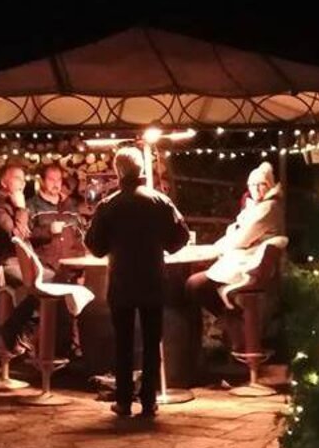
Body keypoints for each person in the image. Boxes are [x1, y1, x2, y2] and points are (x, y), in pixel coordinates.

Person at [85, 146, 190, 418]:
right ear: (142, 169)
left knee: (123, 342)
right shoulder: (160, 202)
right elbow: (180, 237)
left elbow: (94, 245)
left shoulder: (109, 205)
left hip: (121, 281)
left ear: (119, 172)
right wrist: (161, 246)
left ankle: (123, 401)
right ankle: (149, 401)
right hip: (153, 279)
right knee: (152, 342)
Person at [185, 161, 284, 349]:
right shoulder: (256, 207)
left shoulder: (268, 208)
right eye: (252, 185)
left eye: (261, 184)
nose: (256, 189)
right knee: (197, 284)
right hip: (243, 262)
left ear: (269, 185)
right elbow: (237, 232)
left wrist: (217, 248)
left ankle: (232, 320)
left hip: (250, 268)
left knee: (195, 285)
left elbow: (241, 238)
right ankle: (232, 325)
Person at [0, 162, 49, 355]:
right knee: (42, 284)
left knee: (54, 279)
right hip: (3, 263)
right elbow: (17, 236)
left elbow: (26, 233)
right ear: (3, 182)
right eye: (17, 178)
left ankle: (40, 339)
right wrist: (21, 208)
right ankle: (14, 328)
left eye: (23, 178)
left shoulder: (7, 205)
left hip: (18, 260)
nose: (22, 182)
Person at [27, 164, 83, 272]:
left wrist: (80, 260)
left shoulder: (71, 205)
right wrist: (48, 231)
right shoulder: (31, 206)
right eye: (51, 180)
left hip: (72, 268)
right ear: (42, 181)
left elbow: (79, 236)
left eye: (58, 180)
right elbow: (26, 236)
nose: (55, 184)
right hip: (46, 269)